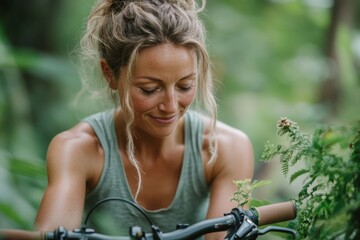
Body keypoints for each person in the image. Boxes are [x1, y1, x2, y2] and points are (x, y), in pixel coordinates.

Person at [34, 0, 254, 239]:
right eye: (150, 89)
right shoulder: (79, 149)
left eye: (185, 86)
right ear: (110, 74)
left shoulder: (226, 147)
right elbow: (53, 233)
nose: (170, 106)